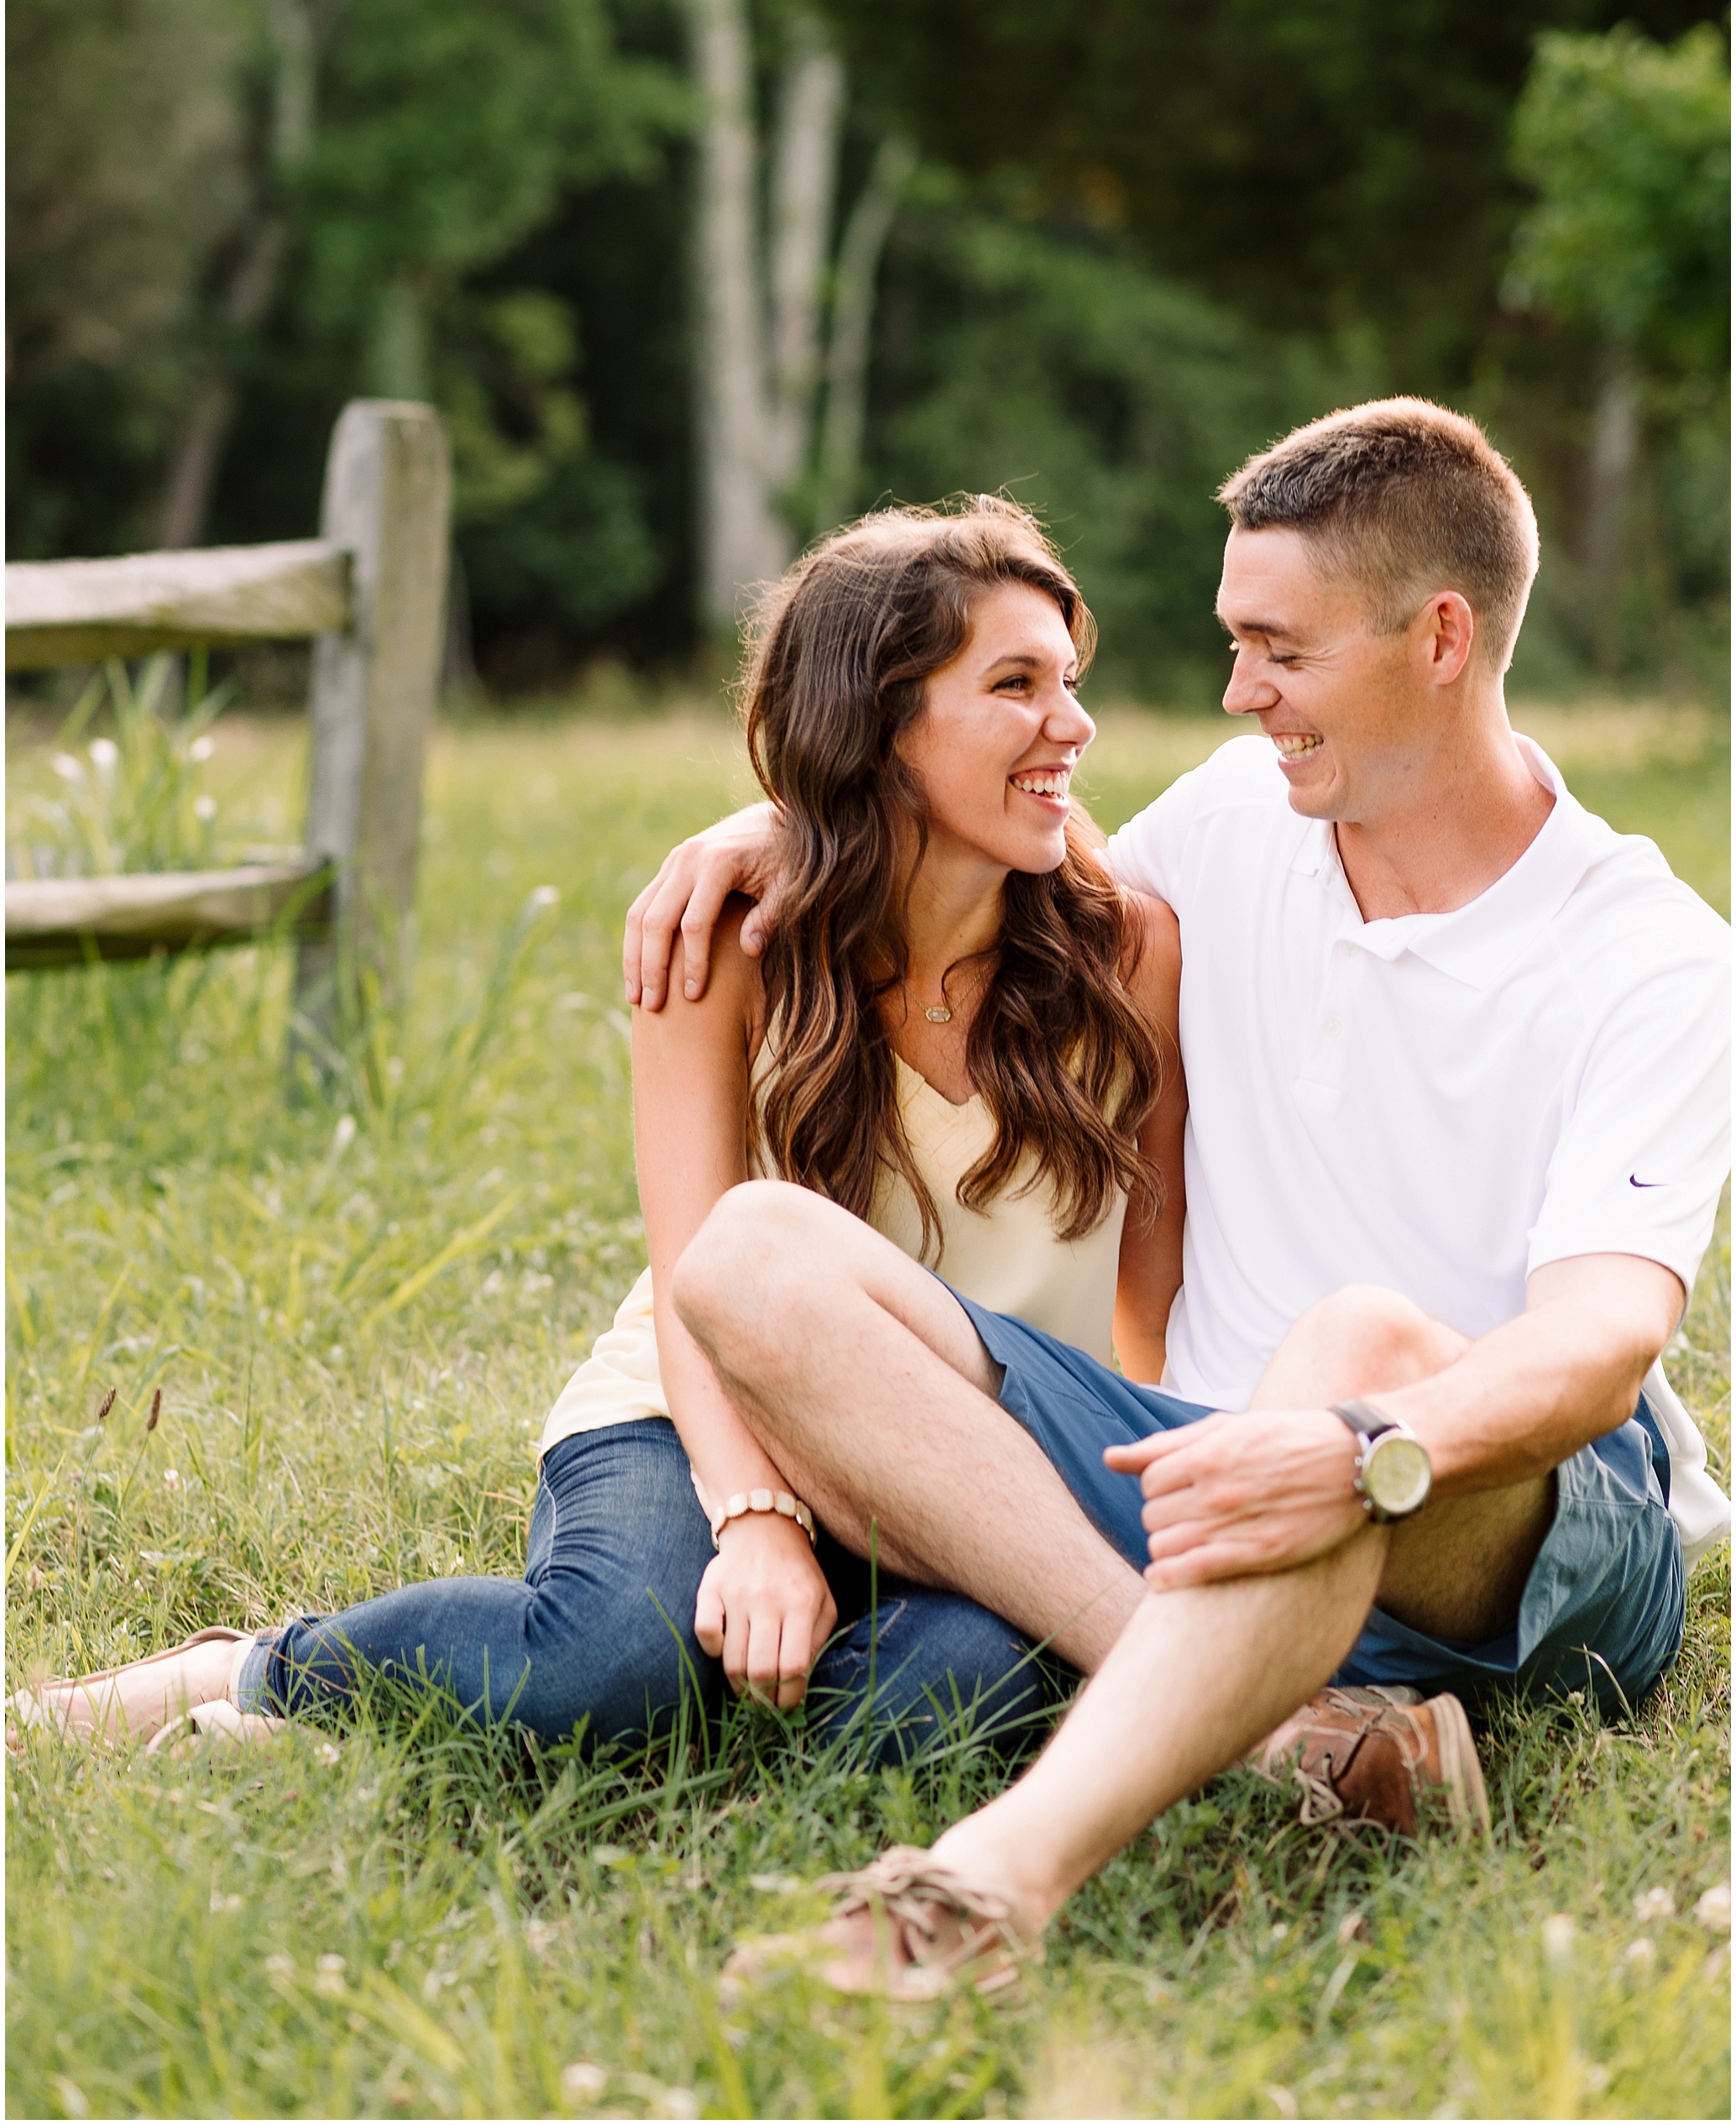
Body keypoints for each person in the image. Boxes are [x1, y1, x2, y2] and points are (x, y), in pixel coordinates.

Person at [625, 400, 1730, 1994]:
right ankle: (1286, 1727)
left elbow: (1602, 1343)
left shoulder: (1648, 950)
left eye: (1278, 649)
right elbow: (978, 843)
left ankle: (986, 1890)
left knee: (1354, 1335)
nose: (1237, 693)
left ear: (1439, 635)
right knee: (754, 1258)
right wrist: (784, 810)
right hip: (1189, 1467)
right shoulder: (1230, 819)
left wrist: (1352, 1449)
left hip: (1509, 1511)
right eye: (1232, 643)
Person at [8, 501, 1184, 1763]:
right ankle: (268, 1672)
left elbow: (1150, 1294)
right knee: (610, 1663)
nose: (1075, 725)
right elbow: (694, 1283)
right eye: (1017, 684)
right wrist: (757, 1523)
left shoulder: (1128, 953)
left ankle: (712, 1694)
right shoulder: (727, 950)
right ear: (880, 723)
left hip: (972, 1457)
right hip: (697, 1416)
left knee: (932, 1709)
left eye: (1070, 679)